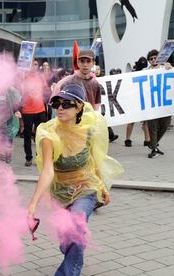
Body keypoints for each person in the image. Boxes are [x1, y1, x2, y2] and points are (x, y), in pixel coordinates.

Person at [28, 83, 122, 276]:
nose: (60, 108)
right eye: (56, 103)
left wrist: (102, 186)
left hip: (86, 188)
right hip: (59, 191)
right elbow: (47, 171)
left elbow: (95, 160)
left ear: (79, 106)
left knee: (77, 225)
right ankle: (72, 250)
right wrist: (33, 204)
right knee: (66, 239)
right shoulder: (48, 133)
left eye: (66, 104)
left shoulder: (90, 129)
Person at [20, 60, 48, 166]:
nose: (34, 66)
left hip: (40, 109)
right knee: (27, 135)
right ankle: (28, 157)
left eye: (36, 64)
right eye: (32, 64)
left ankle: (39, 156)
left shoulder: (40, 77)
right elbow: (20, 90)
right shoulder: (23, 76)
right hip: (27, 111)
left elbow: (45, 90)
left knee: (40, 135)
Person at [145, 49, 173, 158]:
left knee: (165, 124)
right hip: (151, 104)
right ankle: (154, 149)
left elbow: (173, 75)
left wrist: (169, 67)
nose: (153, 60)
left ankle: (153, 145)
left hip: (164, 104)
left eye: (155, 58)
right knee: (152, 127)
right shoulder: (145, 71)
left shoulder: (164, 68)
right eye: (151, 59)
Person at [124, 57, 151, 147]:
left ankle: (147, 140)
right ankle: (128, 139)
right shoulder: (133, 73)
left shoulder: (147, 72)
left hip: (144, 99)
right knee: (132, 121)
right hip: (135, 100)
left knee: (146, 120)